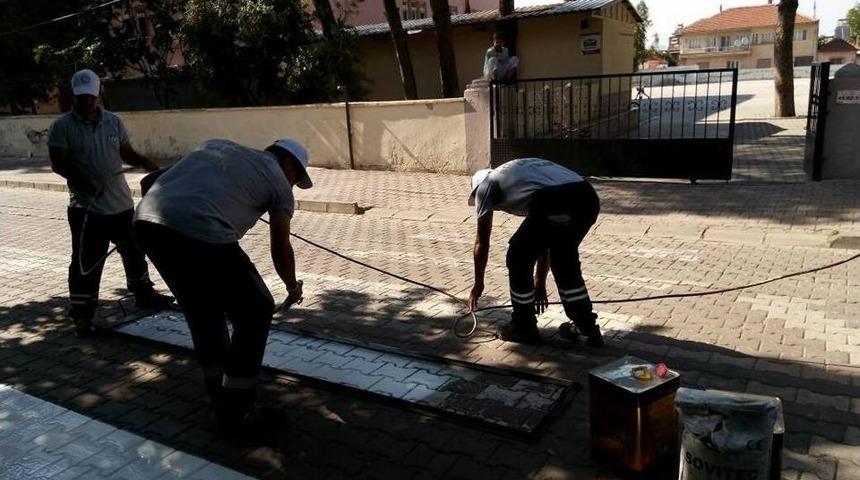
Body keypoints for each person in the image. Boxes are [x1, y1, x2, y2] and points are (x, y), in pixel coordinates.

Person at [133, 138, 311, 433]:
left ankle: (219, 390)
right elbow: (281, 247)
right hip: (202, 231)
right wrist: (292, 287)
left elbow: (149, 180)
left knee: (202, 307)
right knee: (257, 307)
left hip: (147, 223)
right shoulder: (280, 183)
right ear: (289, 164)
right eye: (297, 178)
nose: (292, 185)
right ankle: (236, 413)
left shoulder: (217, 146)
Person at [47, 69, 172, 337]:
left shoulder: (113, 122)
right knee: (86, 263)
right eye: (82, 98)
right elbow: (59, 163)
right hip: (86, 210)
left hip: (121, 205)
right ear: (74, 97)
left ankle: (143, 294)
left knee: (134, 251)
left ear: (99, 94)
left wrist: (145, 163)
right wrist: (82, 181)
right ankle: (82, 314)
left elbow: (126, 153)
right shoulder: (62, 127)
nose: (87, 102)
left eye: (91, 96)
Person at [467, 158, 603, 347]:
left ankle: (523, 327)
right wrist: (539, 283)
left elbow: (482, 241)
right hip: (587, 198)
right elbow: (545, 238)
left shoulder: (485, 187)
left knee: (518, 256)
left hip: (555, 197)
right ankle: (587, 329)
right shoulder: (516, 176)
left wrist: (478, 284)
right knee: (563, 260)